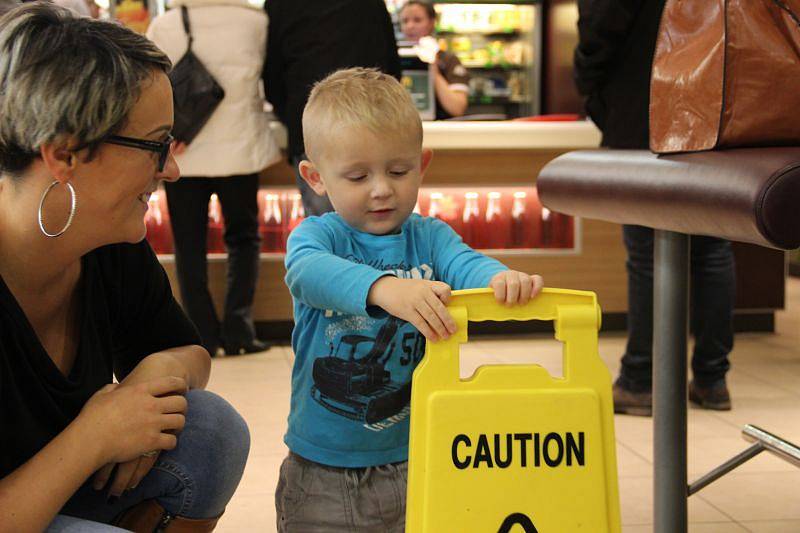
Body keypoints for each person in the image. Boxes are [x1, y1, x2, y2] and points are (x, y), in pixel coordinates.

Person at [0, 4, 249, 531]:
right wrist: (93, 436)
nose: (174, 169)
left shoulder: (103, 237)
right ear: (64, 153)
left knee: (210, 431)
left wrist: (156, 375)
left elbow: (186, 352)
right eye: (157, 146)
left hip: (60, 489)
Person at [275, 67, 544, 532]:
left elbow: (467, 265)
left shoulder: (431, 238)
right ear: (316, 178)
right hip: (322, 468)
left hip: (419, 454)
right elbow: (307, 275)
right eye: (357, 176)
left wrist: (502, 279)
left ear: (422, 165)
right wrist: (384, 290)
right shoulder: (318, 237)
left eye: (398, 171)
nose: (382, 189)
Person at [574, 0, 736, 416]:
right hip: (713, 101)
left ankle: (641, 379)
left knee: (647, 252)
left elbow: (601, 25)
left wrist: (591, 85)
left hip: (643, 103)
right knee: (712, 248)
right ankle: (712, 378)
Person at [147, 0, 281, 357]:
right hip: (241, 148)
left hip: (184, 152)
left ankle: (201, 333)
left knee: (189, 245)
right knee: (244, 239)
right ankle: (240, 329)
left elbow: (150, 83)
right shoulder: (256, 21)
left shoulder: (168, 23)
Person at [263, 0, 401, 217]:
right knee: (382, 227)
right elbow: (391, 68)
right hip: (373, 122)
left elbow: (272, 77)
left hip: (312, 126)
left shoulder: (280, 4)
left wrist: (300, 119)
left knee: (329, 228)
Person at [399, 0, 469, 120]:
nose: (410, 26)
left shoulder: (448, 60)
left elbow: (457, 108)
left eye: (417, 20)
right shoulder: (395, 58)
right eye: (405, 21)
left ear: (432, 22)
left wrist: (433, 69)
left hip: (441, 132)